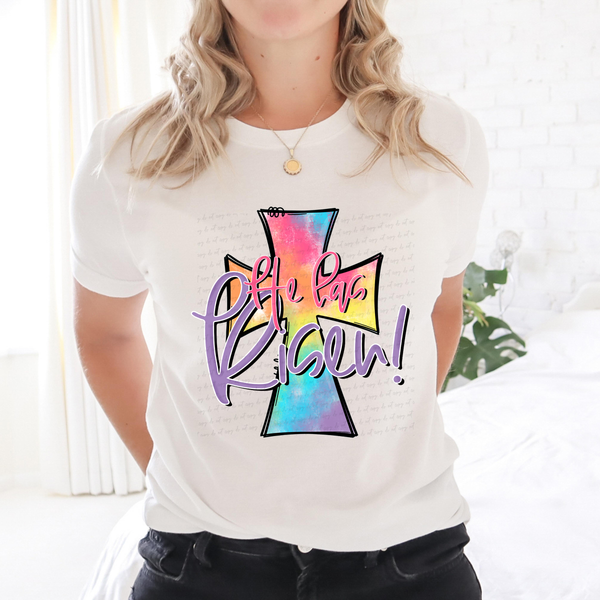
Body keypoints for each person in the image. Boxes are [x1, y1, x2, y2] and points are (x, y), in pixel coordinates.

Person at [70, 0, 488, 598]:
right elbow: (106, 332)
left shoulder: (440, 138)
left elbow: (440, 309)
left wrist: (384, 439)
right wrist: (180, 474)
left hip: (409, 558)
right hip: (201, 561)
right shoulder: (129, 153)